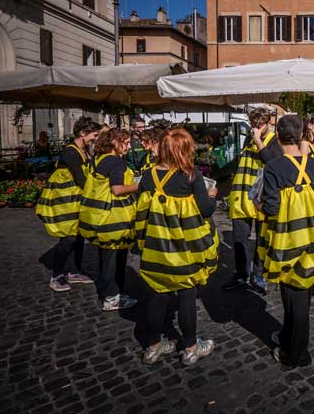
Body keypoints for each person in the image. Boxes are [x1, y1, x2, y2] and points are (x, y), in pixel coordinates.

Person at [137, 128, 219, 366]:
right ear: (185, 149)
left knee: (158, 295)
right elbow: (206, 210)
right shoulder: (190, 175)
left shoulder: (149, 175)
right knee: (186, 297)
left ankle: (153, 347)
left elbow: (141, 209)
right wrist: (212, 195)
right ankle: (191, 348)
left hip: (157, 248)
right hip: (185, 249)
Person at [258, 115, 314, 366]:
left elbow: (270, 208)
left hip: (288, 241)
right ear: (301, 135)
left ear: (277, 136)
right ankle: (287, 337)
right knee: (301, 294)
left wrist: (258, 203)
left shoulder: (274, 168)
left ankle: (297, 353)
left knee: (295, 299)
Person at [37, 117, 100, 292]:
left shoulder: (84, 151)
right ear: (82, 133)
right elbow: (81, 180)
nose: (95, 138)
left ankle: (74, 271)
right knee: (68, 239)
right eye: (94, 135)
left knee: (79, 237)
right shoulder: (71, 152)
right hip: (65, 203)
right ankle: (57, 275)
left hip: (75, 201)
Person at [78, 128, 139, 311]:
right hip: (114, 219)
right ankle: (113, 297)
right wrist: (139, 185)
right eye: (126, 142)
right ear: (115, 142)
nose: (128, 146)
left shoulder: (98, 159)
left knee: (106, 258)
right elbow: (117, 189)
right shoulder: (115, 162)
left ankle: (111, 293)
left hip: (99, 217)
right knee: (114, 260)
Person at [226, 108, 282, 294]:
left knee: (261, 240)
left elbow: (273, 163)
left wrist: (258, 141)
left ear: (268, 123)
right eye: (253, 124)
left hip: (261, 198)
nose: (256, 128)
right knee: (239, 239)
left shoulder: (274, 141)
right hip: (242, 198)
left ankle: (259, 276)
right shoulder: (248, 139)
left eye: (260, 125)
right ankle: (242, 274)